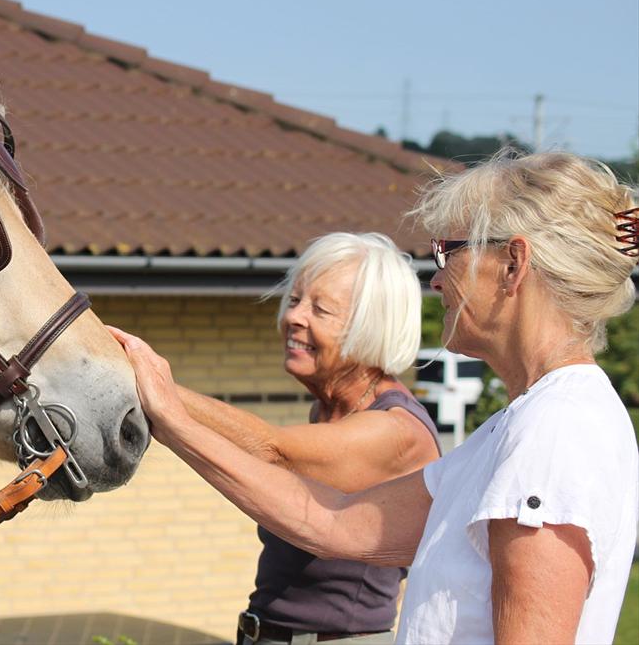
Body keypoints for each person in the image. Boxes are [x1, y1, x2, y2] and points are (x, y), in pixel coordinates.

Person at [115, 150, 638, 644]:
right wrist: (169, 417)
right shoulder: (524, 423)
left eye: (449, 252)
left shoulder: (555, 431)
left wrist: (164, 399)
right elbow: (334, 521)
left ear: (512, 264)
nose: (436, 280)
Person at [110, 232, 441, 645]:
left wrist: (153, 386)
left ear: (371, 326)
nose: (294, 317)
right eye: (297, 298)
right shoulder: (327, 413)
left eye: (321, 309)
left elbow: (273, 451)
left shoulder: (396, 431)